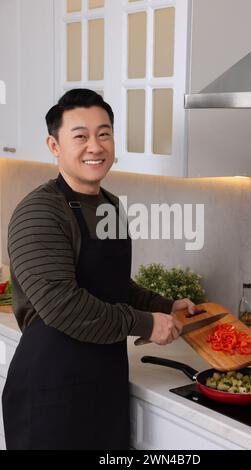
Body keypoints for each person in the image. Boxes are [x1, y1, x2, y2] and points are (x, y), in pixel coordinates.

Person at [2, 89, 195, 450]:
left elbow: (113, 284)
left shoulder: (109, 205)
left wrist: (164, 306)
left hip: (103, 383)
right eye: (80, 136)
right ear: (54, 145)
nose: (95, 146)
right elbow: (63, 305)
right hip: (50, 391)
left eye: (104, 133)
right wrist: (146, 323)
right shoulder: (38, 213)